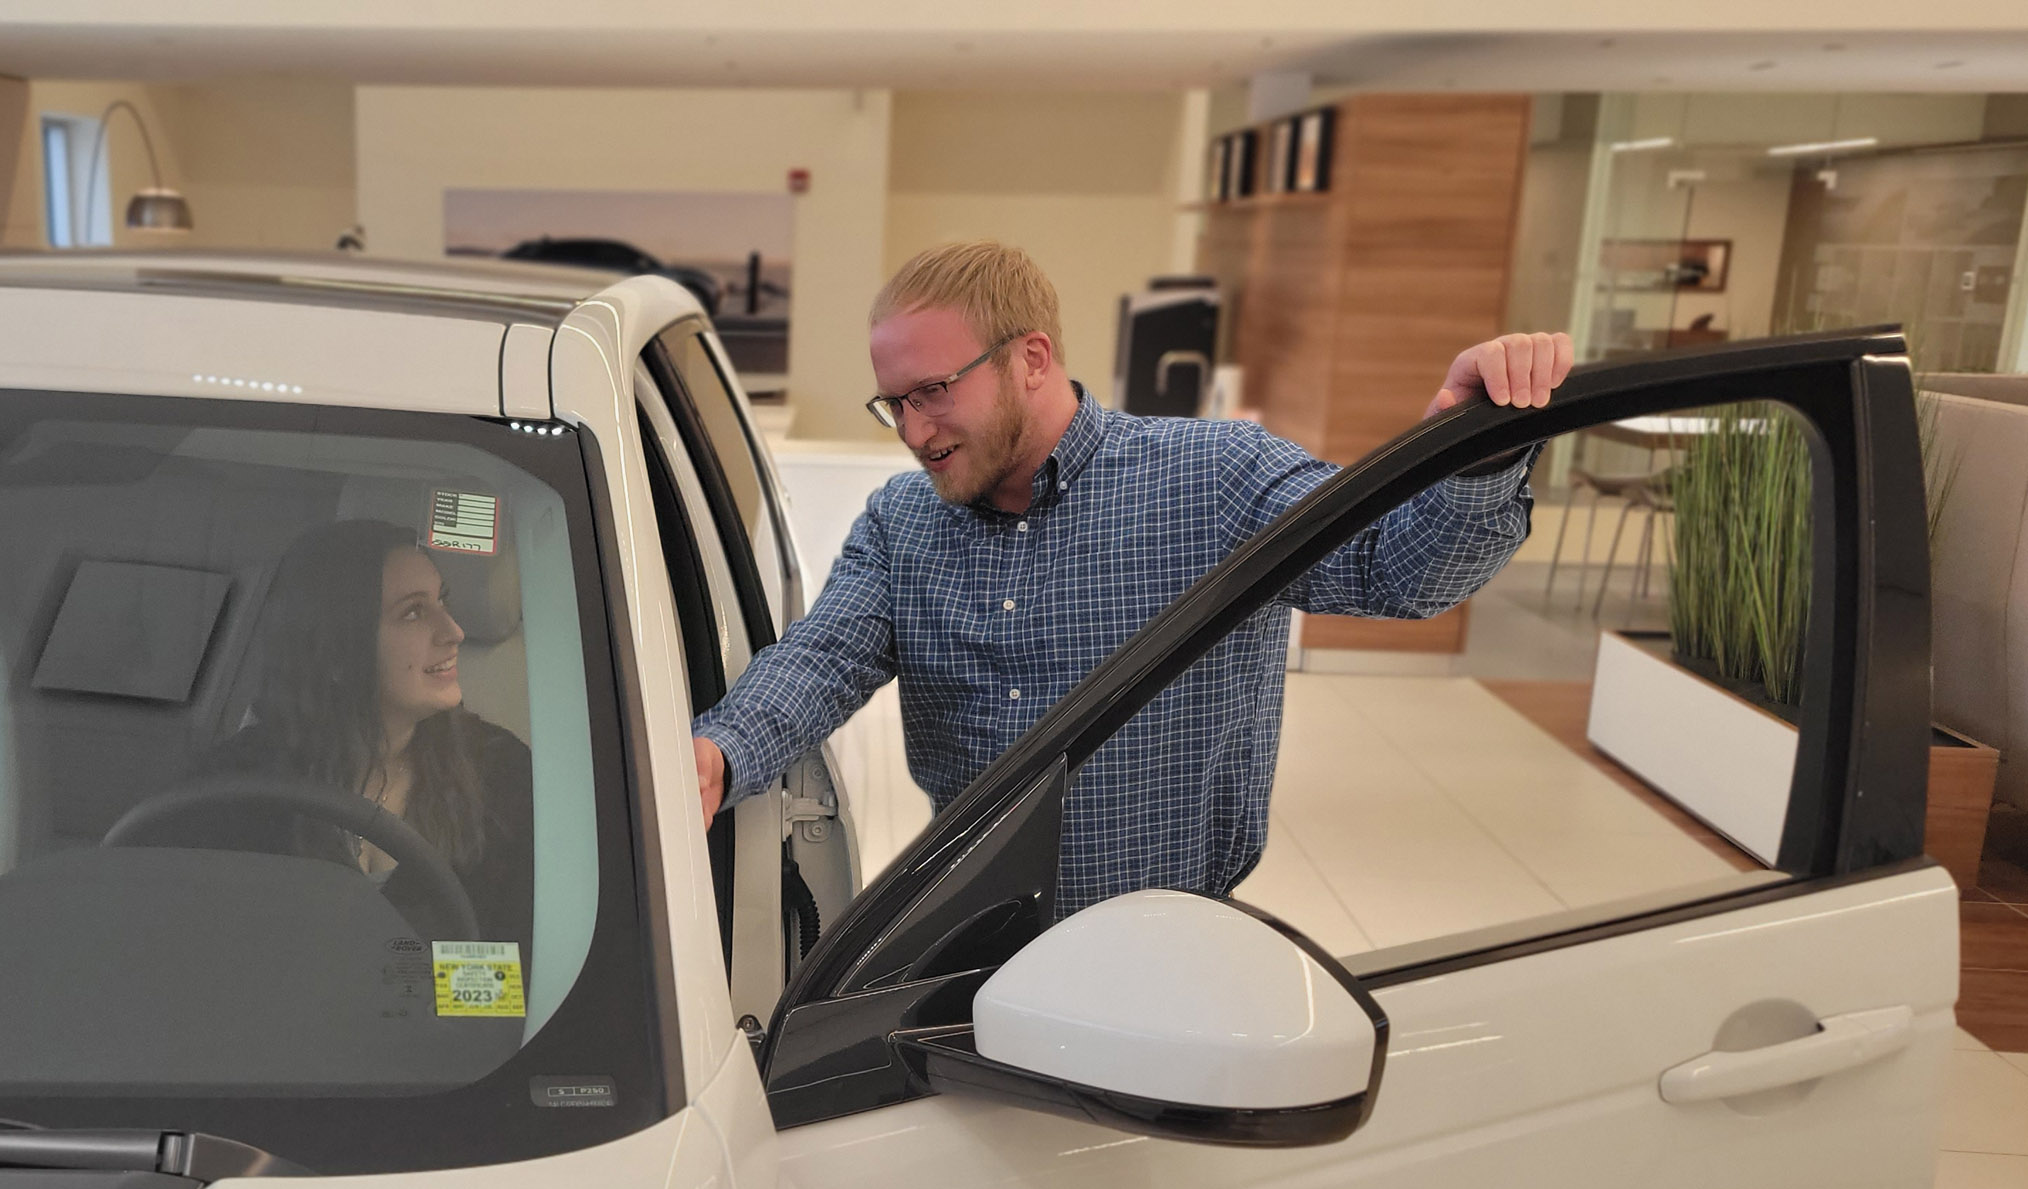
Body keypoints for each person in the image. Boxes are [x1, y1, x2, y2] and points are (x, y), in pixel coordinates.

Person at [690, 241, 1573, 913]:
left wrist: (1474, 455)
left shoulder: (1216, 480)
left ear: (1032, 358)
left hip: (1164, 938)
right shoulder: (902, 521)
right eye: (895, 404)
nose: (915, 432)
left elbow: (1399, 572)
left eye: (934, 392)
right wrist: (719, 754)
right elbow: (823, 658)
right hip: (968, 932)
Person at [189, 518, 534, 945]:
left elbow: (518, 965)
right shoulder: (234, 789)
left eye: (442, 602)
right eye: (413, 612)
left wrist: (432, 987)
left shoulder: (502, 776)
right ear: (336, 651)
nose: (454, 632)